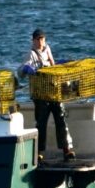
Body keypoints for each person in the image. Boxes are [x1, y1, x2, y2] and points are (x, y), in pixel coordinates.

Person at [21, 28, 75, 160]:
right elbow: (22, 69)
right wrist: (28, 69)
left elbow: (53, 64)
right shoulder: (31, 54)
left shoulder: (47, 49)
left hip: (53, 91)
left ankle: (67, 150)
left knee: (61, 118)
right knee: (41, 122)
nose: (40, 42)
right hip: (40, 94)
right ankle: (38, 152)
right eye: (38, 39)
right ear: (33, 40)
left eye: (42, 39)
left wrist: (61, 63)